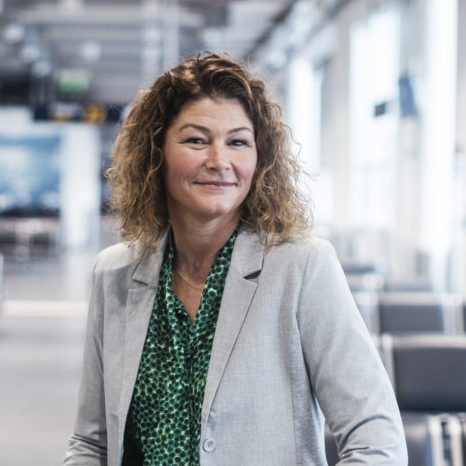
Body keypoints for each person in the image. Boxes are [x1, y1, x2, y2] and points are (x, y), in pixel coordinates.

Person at [64, 53, 407, 465]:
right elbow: (91, 443)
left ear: (260, 158)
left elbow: (376, 439)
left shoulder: (302, 267)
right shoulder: (114, 273)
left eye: (238, 142)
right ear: (157, 152)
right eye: (196, 140)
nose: (219, 161)